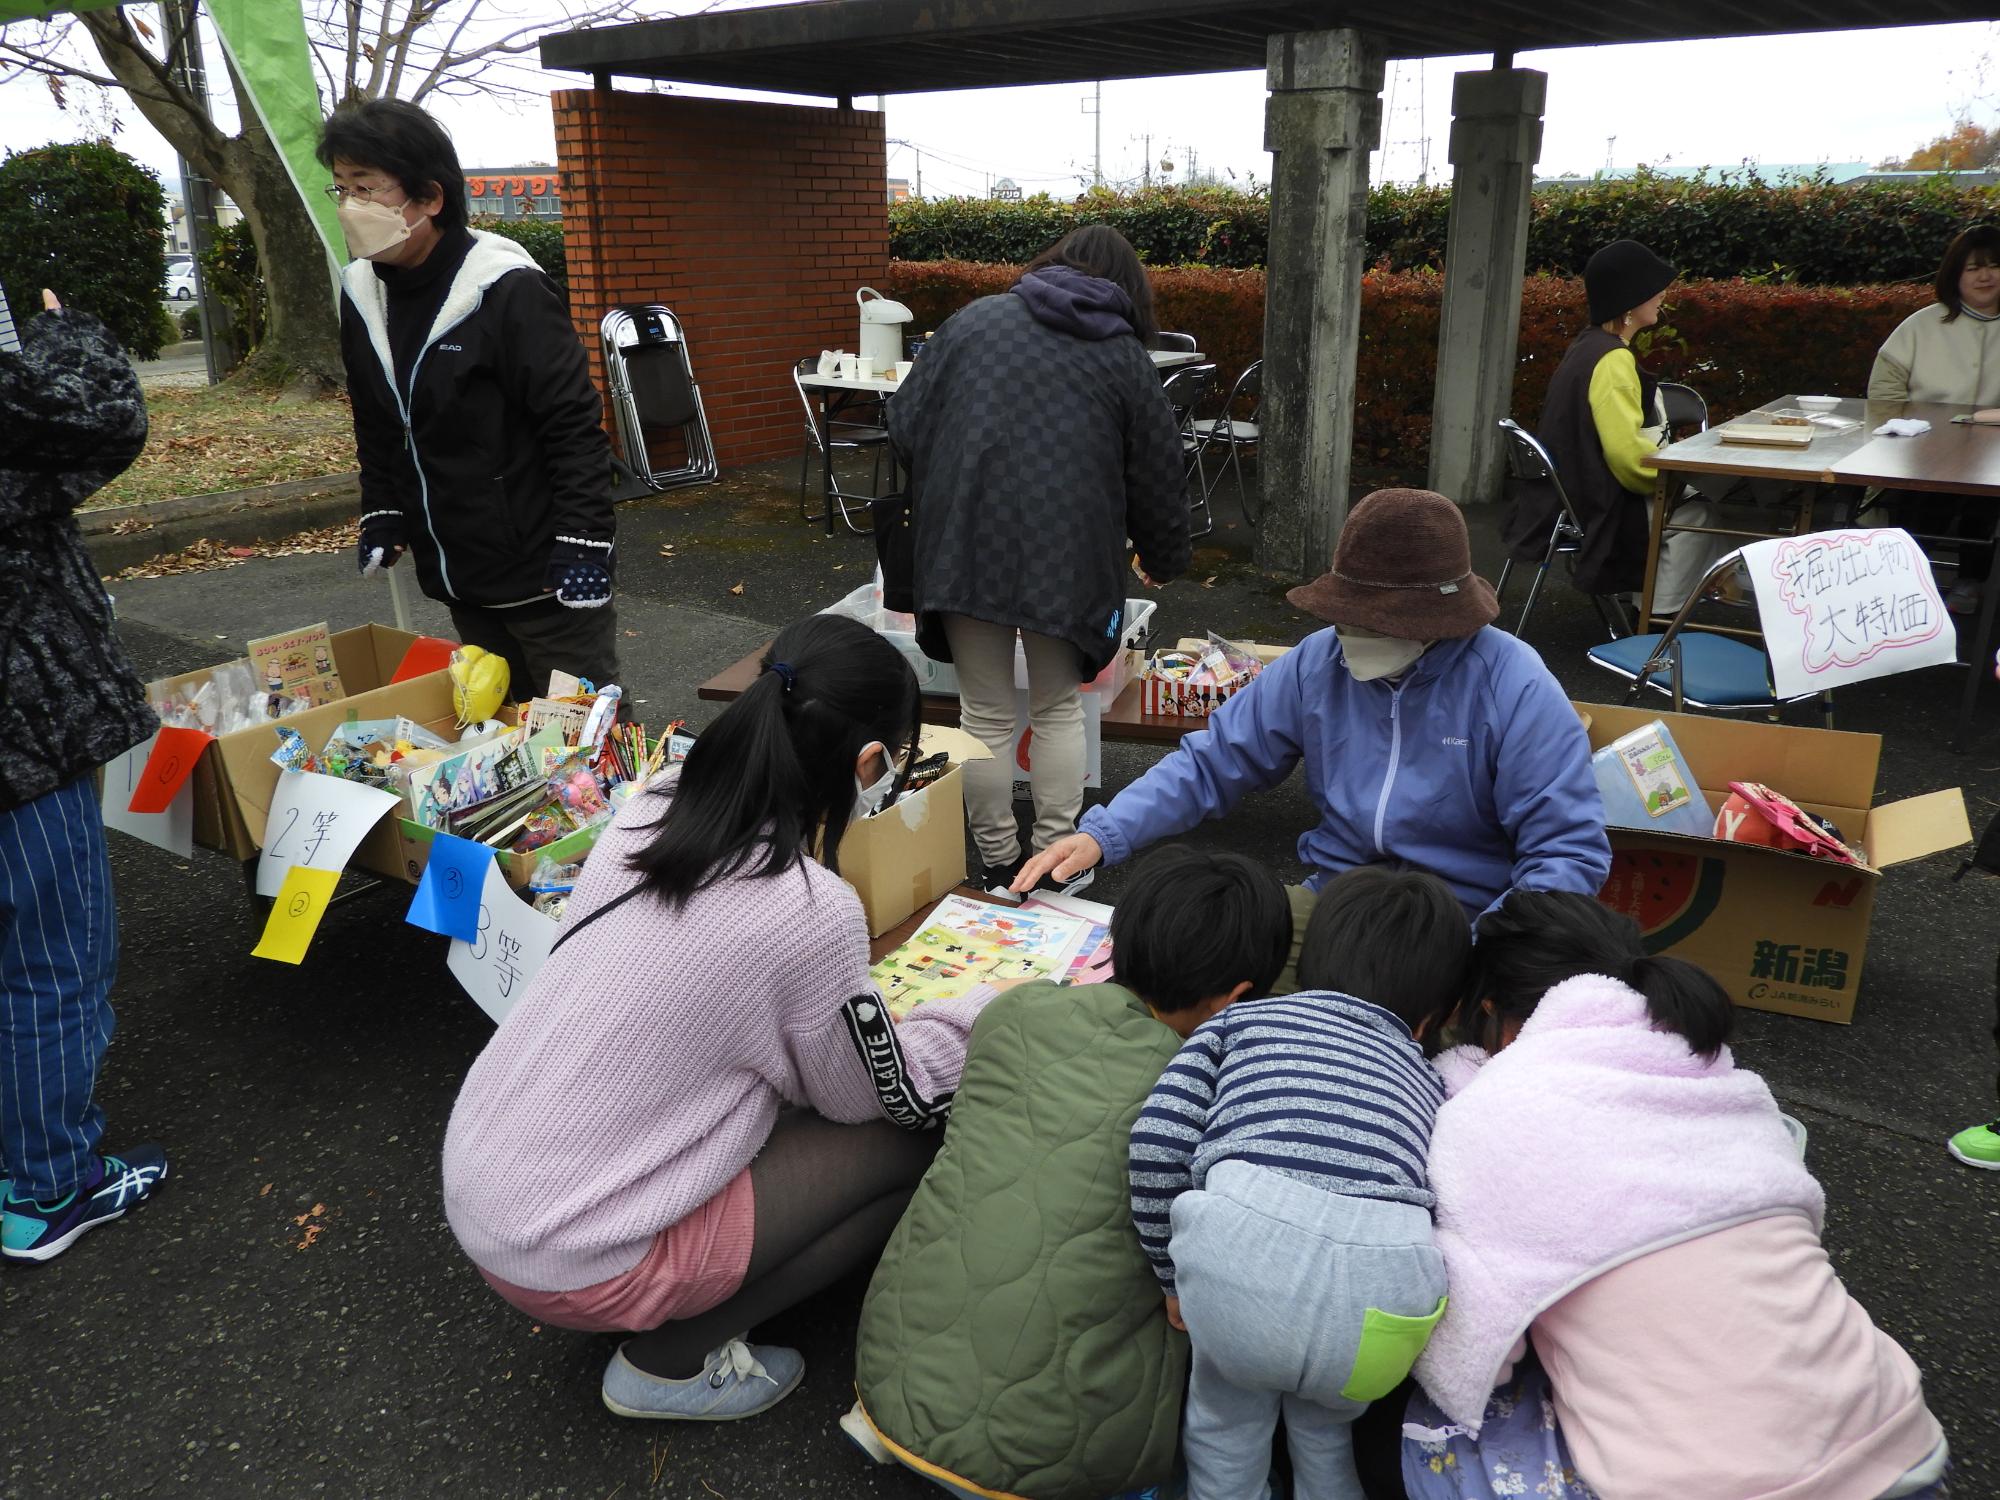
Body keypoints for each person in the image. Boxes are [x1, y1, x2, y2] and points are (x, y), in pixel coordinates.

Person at [442, 613, 992, 1420]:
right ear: (867, 762)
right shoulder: (809, 910)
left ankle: (662, 1293)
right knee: (909, 1144)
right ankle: (670, 1361)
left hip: (486, 1187)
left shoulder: (651, 805)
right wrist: (984, 1012)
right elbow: (867, 1097)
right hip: (572, 1250)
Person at [1405, 891, 1949, 1500]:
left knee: (1431, 1423)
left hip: (1716, 1487)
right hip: (1901, 1441)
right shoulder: (1720, 1077)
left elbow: (1476, 1355)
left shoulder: (1491, 1110)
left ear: (1491, 1011)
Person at [1017, 487, 1610, 993]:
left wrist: (1483, 947)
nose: (1349, 634)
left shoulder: (1515, 683)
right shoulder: (1317, 661)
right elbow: (1216, 761)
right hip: (1334, 898)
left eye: (1374, 622)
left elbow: (1566, 853)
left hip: (1466, 918)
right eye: (1345, 616)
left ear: (1435, 621)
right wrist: (1105, 833)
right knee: (1193, 969)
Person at [846, 846, 1293, 1500]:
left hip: (889, 1376)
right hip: (1062, 1459)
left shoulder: (1017, 1013)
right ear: (1237, 998)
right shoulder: (1217, 1093)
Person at [1130, 864, 1472, 1500]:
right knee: (1325, 1427)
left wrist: (1170, 1276)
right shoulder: (1431, 1080)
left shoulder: (1241, 1023)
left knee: (1225, 1418)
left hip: (1241, 1270)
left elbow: (1158, 1139)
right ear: (1432, 1018)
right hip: (1383, 1304)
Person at [887, 224, 1192, 899]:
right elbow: (1158, 474)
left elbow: (905, 422)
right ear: (1128, 291)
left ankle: (996, 863)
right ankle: (1055, 863)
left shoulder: (973, 323)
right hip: (1071, 558)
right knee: (1056, 708)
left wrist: (960, 477)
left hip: (965, 544)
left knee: (984, 713)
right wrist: (1164, 555)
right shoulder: (1121, 355)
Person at [317, 98, 620, 696]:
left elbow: (574, 426)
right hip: (456, 570)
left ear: (430, 198)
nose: (352, 207)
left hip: (546, 573)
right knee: (496, 728)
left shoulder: (505, 288)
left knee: (583, 734)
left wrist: (585, 541)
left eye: (368, 188)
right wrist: (382, 506)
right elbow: (378, 418)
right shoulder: (361, 292)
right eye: (342, 188)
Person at [0, 287, 169, 1261]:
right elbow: (97, 417)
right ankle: (51, 1188)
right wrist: (65, 332)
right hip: (18, 733)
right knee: (52, 964)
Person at [1505, 238, 1731, 615]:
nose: (1662, 294)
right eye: (1653, 288)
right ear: (1629, 301)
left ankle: (1664, 604)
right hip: (1594, 502)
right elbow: (1628, 461)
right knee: (1701, 515)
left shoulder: (1588, 347)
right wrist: (1681, 481)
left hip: (1560, 497)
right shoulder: (1613, 360)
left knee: (1694, 505)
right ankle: (1657, 619)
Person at [1869, 223, 2000, 616]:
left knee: (1986, 503)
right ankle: (1904, 581)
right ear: (1954, 274)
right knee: (1924, 505)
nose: (1984, 276)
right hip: (1923, 450)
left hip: (1994, 456)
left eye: (1994, 265)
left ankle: (1972, 580)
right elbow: (1885, 388)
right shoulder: (1922, 324)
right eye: (1972, 268)